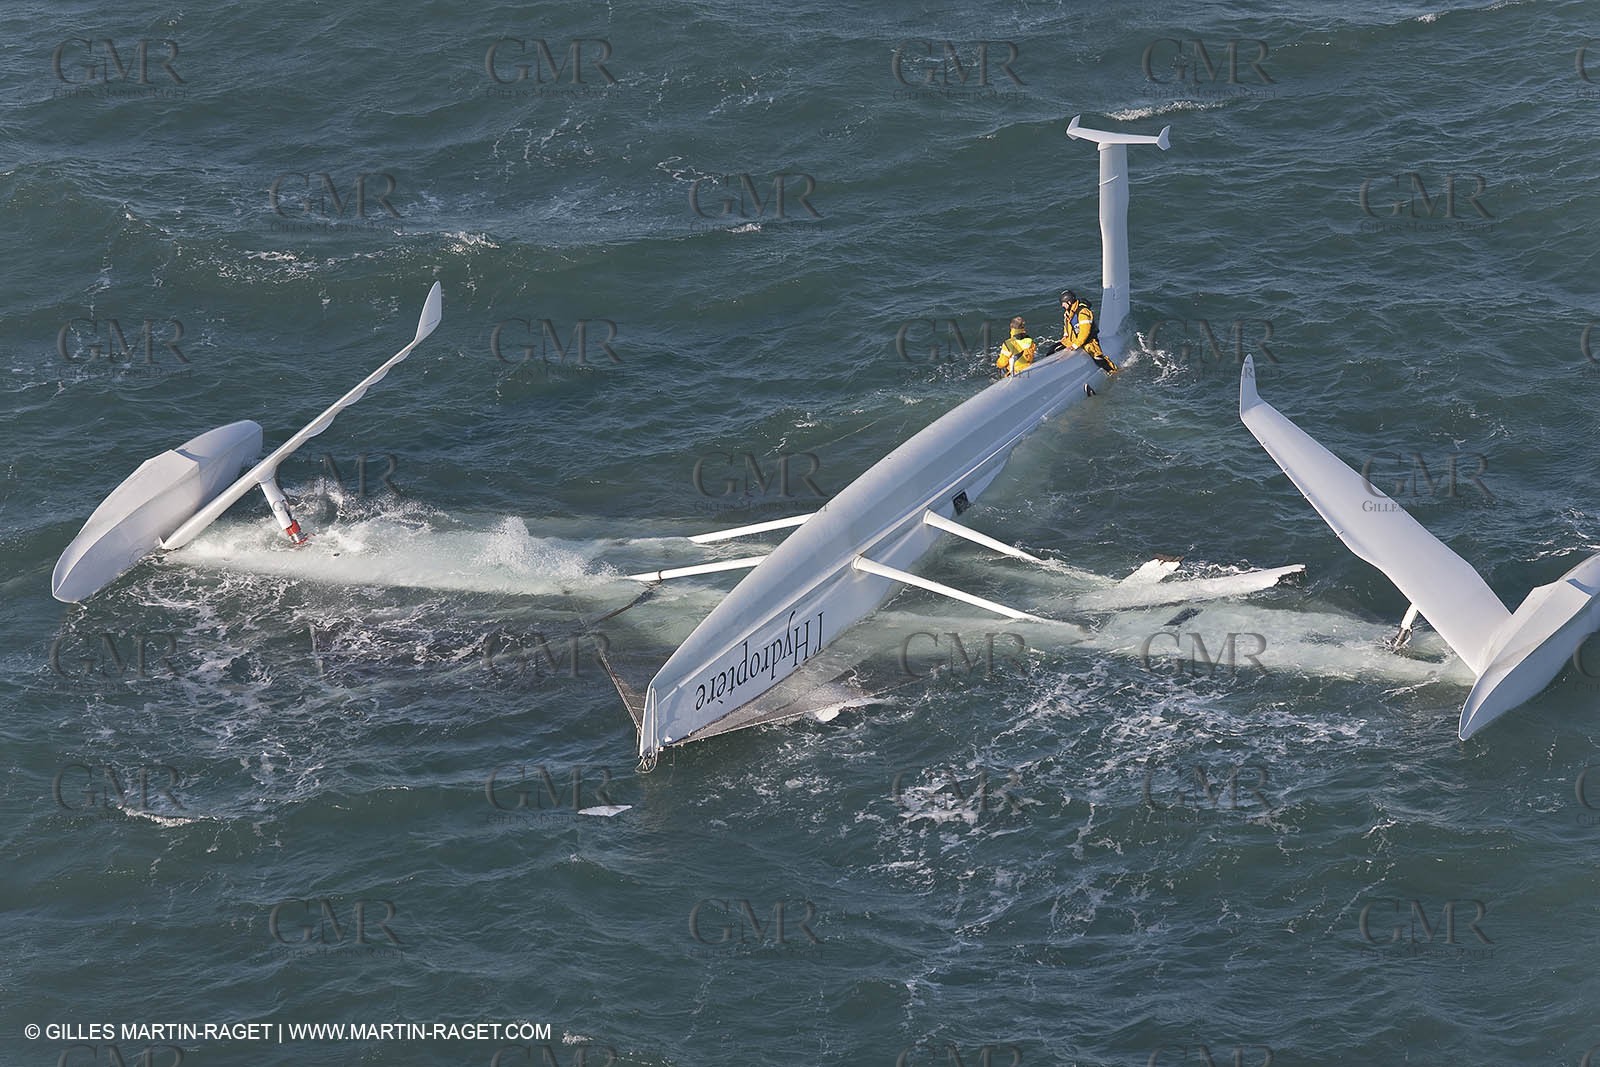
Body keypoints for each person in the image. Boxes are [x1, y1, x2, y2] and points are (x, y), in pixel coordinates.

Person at [1041, 290, 1117, 373]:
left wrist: (1075, 345)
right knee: (1052, 349)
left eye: (1063, 303)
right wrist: (1065, 335)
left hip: (1088, 341)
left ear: (1069, 302)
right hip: (1072, 339)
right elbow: (1067, 325)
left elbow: (1085, 332)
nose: (1062, 305)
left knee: (1097, 357)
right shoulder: (1068, 312)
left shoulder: (1083, 312)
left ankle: (1112, 370)